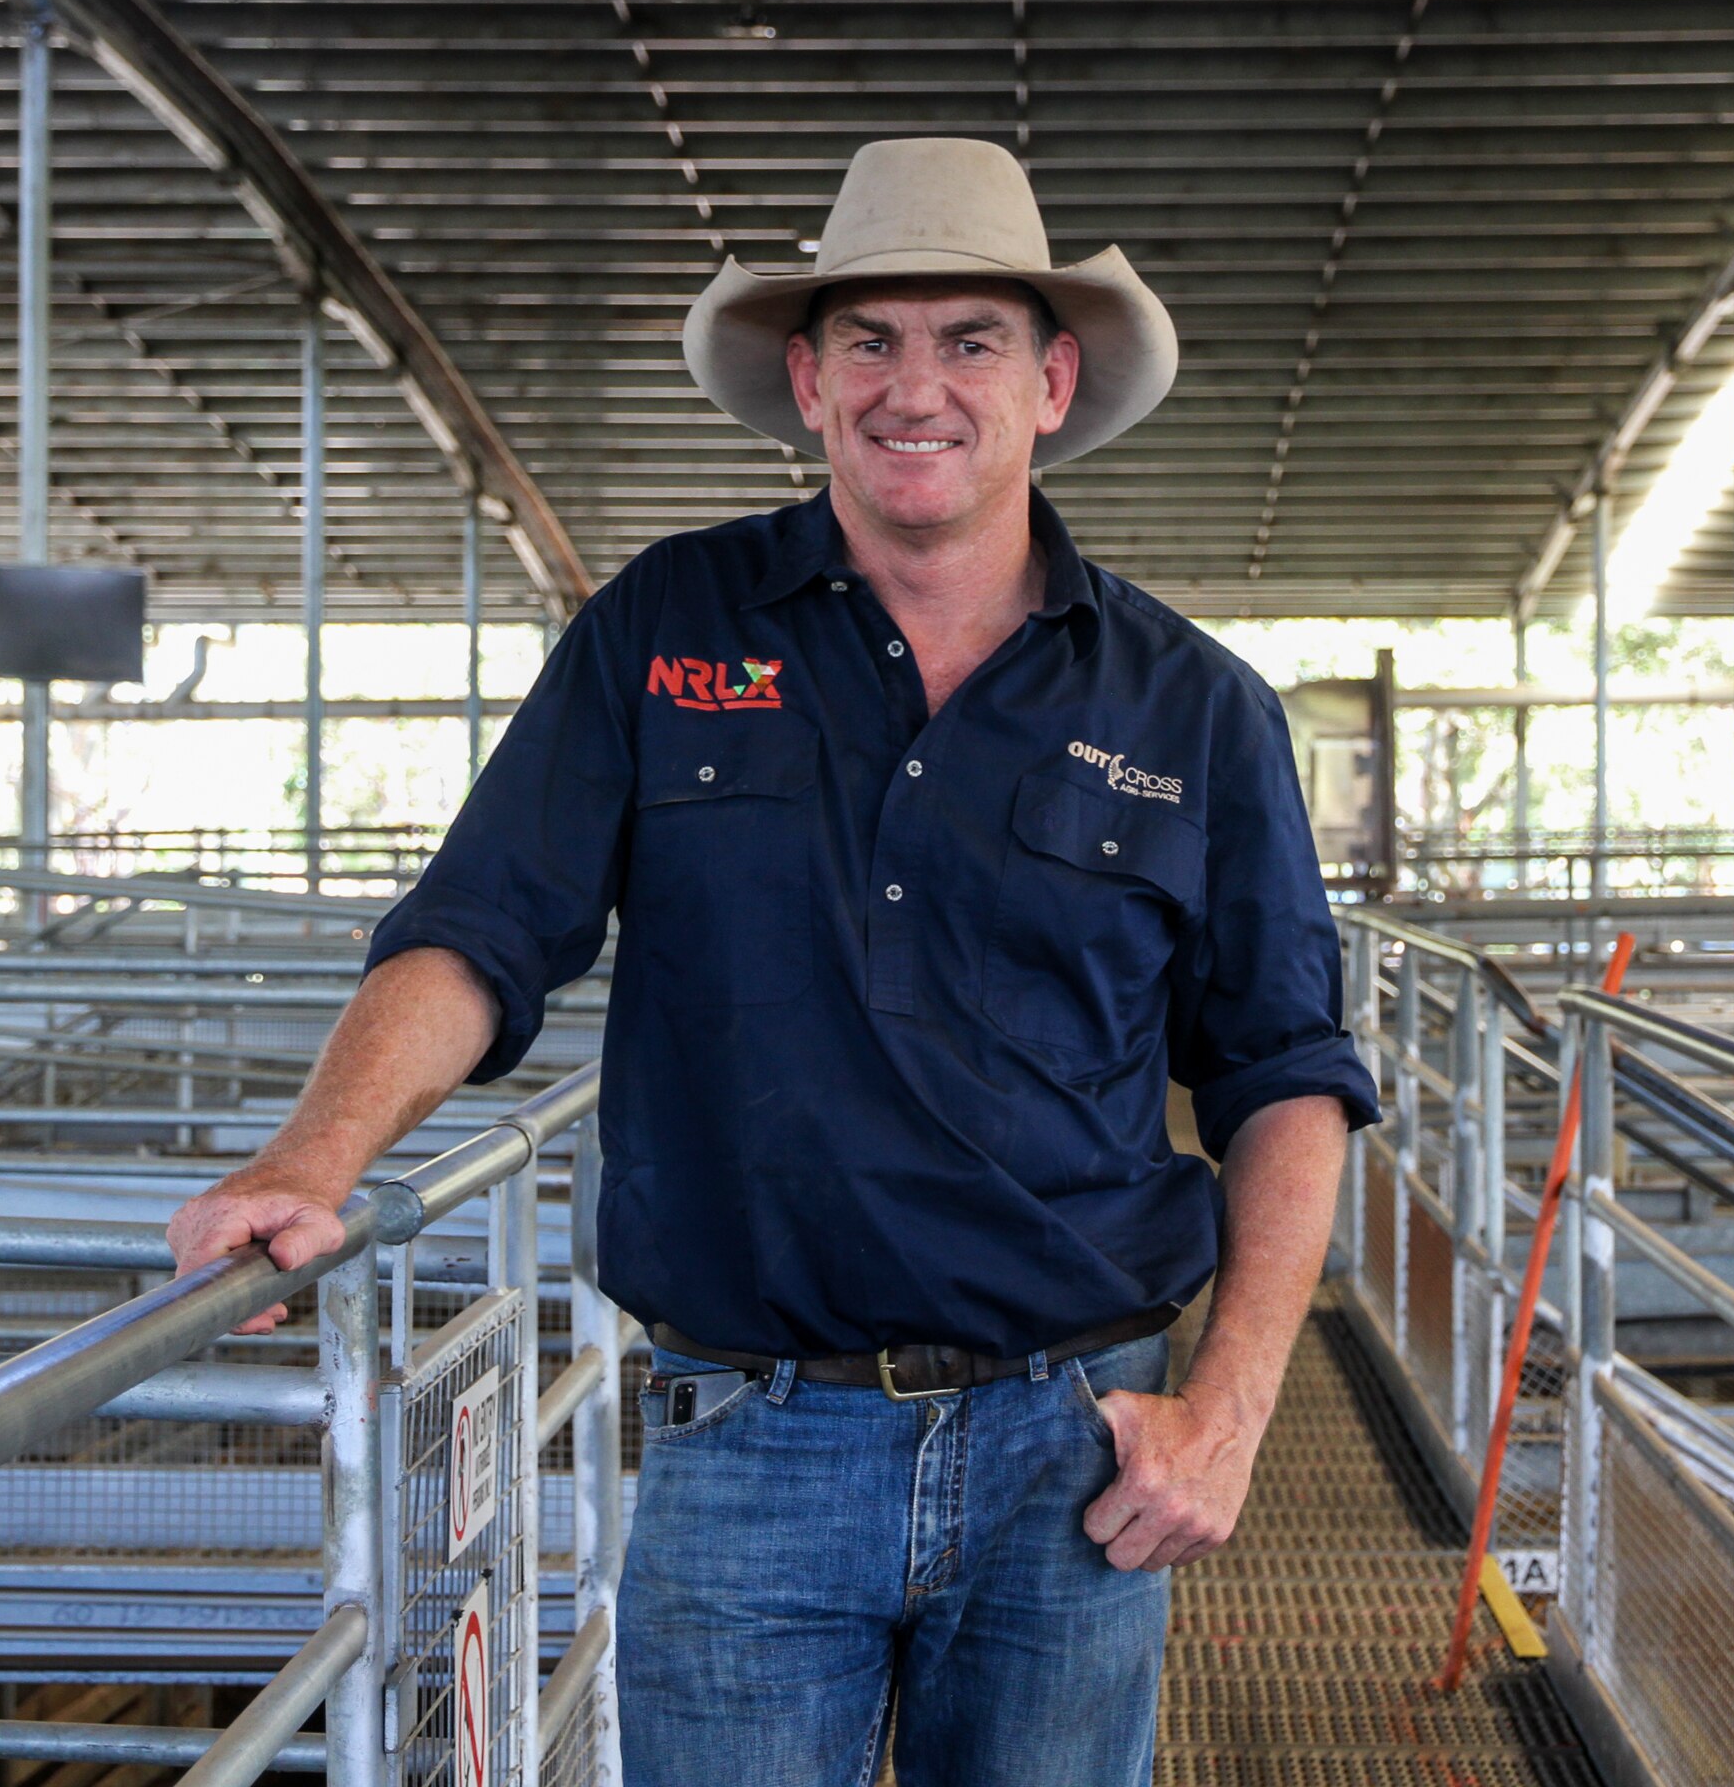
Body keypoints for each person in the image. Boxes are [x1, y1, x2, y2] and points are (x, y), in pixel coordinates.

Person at [167, 136, 1381, 1787]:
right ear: (806, 380)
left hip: (1074, 1446)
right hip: (753, 1438)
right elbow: (480, 927)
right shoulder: (666, 630)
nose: (918, 387)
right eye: (871, 339)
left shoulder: (1195, 708)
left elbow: (1285, 1078)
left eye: (972, 340)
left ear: (1052, 379)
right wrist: (314, 1160)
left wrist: (1227, 1413)